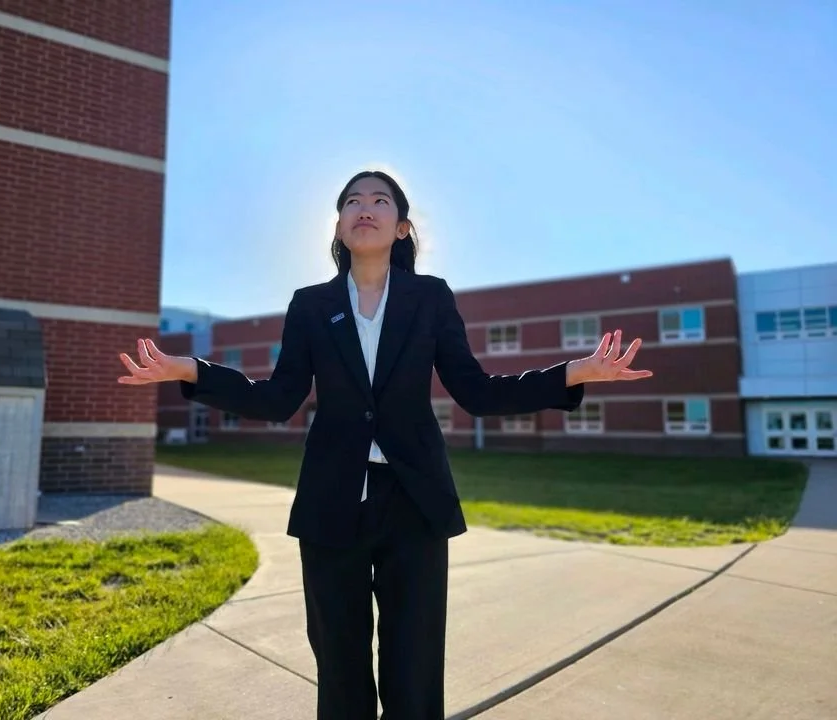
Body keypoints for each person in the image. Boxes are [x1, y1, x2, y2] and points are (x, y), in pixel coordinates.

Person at [117, 169, 653, 720]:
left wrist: (572, 374)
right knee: (340, 668)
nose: (364, 207)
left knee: (415, 668)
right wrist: (192, 371)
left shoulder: (430, 298)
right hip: (331, 503)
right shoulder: (309, 304)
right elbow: (278, 398)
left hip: (414, 503)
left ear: (402, 226)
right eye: (352, 201)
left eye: (379, 200)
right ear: (339, 225)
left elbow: (477, 392)